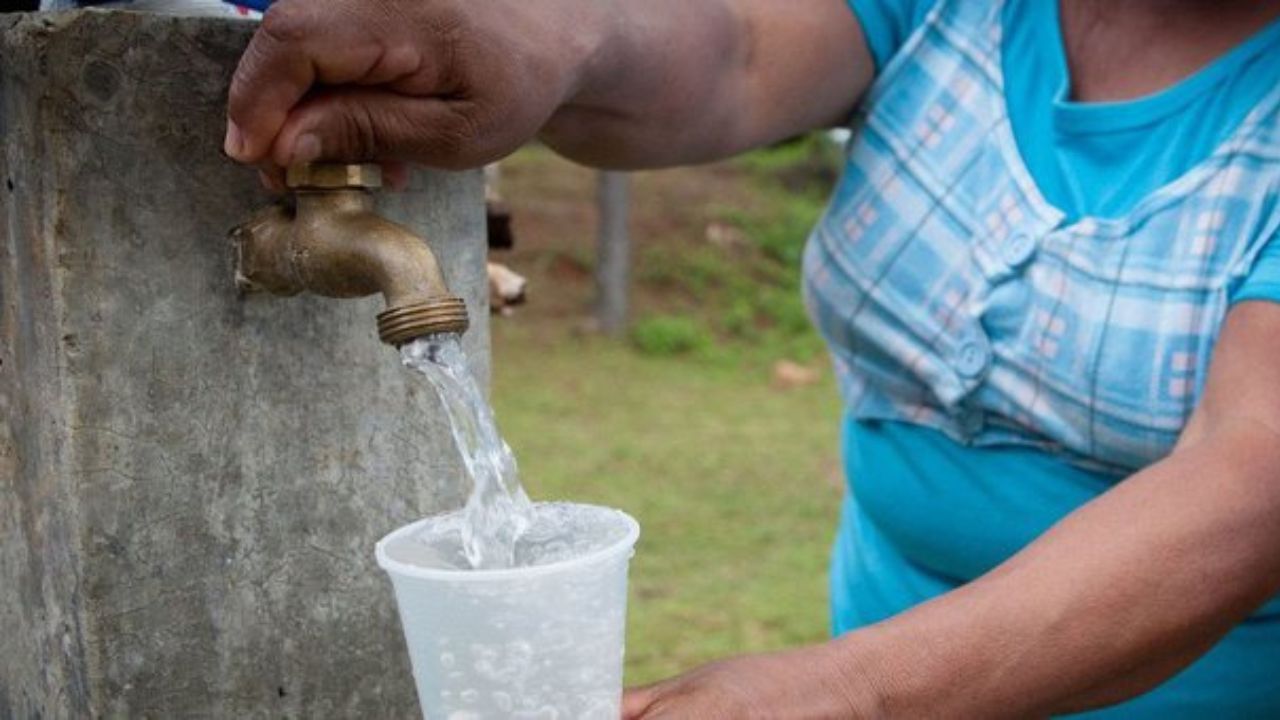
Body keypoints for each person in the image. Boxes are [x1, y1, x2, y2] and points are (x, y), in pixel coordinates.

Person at [224, 0, 1280, 715]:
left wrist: (855, 693)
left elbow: (1250, 482)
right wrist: (546, 36)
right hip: (879, 637)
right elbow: (729, 56)